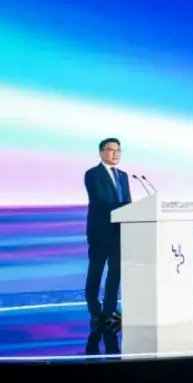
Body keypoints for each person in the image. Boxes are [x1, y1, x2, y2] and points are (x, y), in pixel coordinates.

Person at [84, 137, 132, 329]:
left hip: (119, 232)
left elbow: (128, 202)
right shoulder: (92, 174)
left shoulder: (123, 176)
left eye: (118, 150)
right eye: (111, 150)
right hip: (100, 232)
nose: (115, 153)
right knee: (96, 271)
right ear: (101, 152)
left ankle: (110, 308)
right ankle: (95, 310)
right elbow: (100, 200)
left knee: (115, 272)